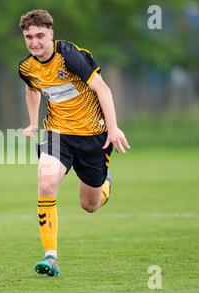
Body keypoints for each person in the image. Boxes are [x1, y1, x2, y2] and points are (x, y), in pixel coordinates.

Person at [18, 10, 130, 276]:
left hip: (94, 137)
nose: (34, 42)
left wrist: (112, 128)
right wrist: (33, 122)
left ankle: (105, 183)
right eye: (29, 37)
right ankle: (51, 257)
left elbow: (102, 89)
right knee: (45, 181)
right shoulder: (26, 66)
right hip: (58, 134)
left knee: (89, 205)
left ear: (51, 34)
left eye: (40, 36)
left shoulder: (69, 55)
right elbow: (31, 87)